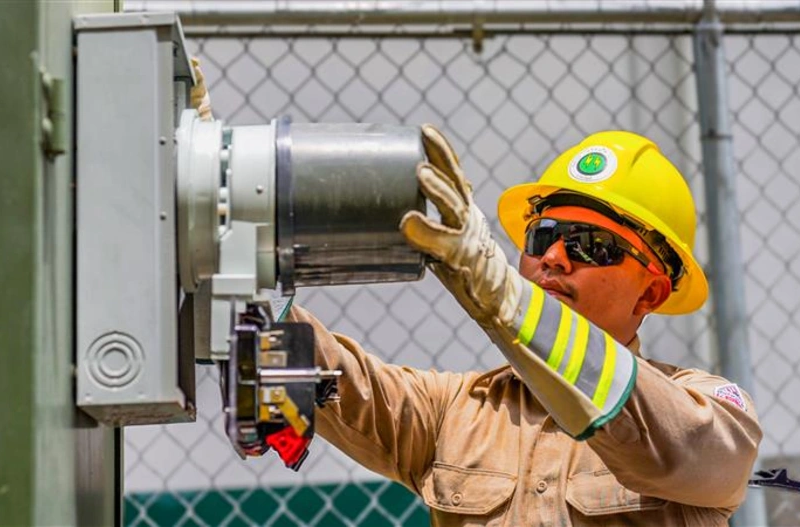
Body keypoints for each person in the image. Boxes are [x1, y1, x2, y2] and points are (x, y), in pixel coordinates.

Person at [189, 64, 761, 525]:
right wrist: (215, 206)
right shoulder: (456, 412)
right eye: (544, 236)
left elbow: (669, 441)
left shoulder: (709, 409)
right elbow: (324, 368)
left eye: (590, 245)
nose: (554, 258)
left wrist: (506, 299)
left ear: (651, 292)